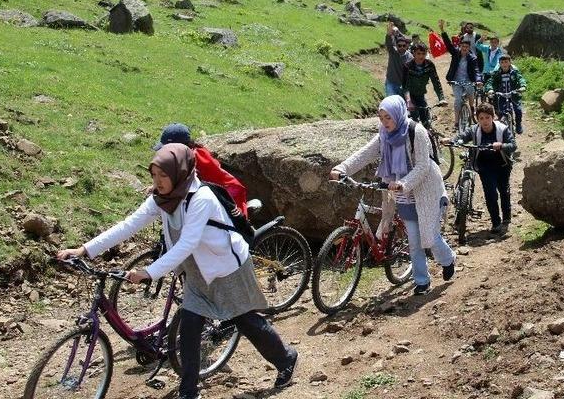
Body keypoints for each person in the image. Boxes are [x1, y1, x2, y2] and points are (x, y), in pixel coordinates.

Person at [56, 144, 298, 398]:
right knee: (190, 328)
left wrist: (150, 272)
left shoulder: (200, 198)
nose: (157, 182)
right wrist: (85, 249)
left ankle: (286, 359)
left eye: (163, 176)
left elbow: (187, 243)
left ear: (179, 173)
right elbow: (128, 225)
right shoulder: (162, 198)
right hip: (196, 271)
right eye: (154, 175)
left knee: (246, 322)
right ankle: (188, 392)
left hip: (226, 267)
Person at [329, 96, 455, 296]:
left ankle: (448, 259)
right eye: (381, 118)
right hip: (402, 194)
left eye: (388, 117)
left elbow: (423, 166)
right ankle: (422, 281)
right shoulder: (383, 135)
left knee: (429, 238)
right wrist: (342, 167)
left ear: (398, 114)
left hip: (426, 190)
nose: (384, 122)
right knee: (414, 240)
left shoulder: (417, 132)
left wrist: (404, 183)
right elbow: (365, 153)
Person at [446, 102, 516, 236]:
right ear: (477, 119)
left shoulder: (502, 129)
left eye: (487, 118)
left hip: (502, 165)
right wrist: (453, 140)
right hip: (484, 166)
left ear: (493, 117)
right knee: (490, 194)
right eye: (481, 118)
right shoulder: (474, 130)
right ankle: (496, 222)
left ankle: (507, 217)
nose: (485, 121)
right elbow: (462, 136)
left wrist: (501, 145)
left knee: (504, 190)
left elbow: (513, 145)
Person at [155, 123, 249, 218]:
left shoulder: (193, 158)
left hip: (229, 197)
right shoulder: (187, 155)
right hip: (213, 194)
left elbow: (181, 183)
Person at [439, 19, 481, 125]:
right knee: (457, 100)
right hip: (456, 81)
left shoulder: (472, 58)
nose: (465, 49)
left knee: (471, 95)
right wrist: (442, 30)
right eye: (463, 46)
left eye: (467, 47)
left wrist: (478, 80)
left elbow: (476, 71)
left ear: (469, 48)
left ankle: (472, 110)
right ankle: (457, 121)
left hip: (468, 80)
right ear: (460, 46)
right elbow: (448, 44)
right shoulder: (455, 53)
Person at [403, 43, 445, 127]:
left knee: (426, 120)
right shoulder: (407, 66)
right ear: (413, 53)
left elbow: (436, 82)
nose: (421, 56)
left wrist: (441, 98)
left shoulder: (429, 65)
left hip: (421, 94)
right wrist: (408, 101)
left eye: (423, 54)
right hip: (410, 96)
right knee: (414, 119)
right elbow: (405, 86)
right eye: (418, 53)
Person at [486, 55, 526, 135]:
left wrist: (522, 86)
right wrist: (490, 89)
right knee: (500, 111)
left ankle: (518, 124)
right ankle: (504, 126)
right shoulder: (497, 73)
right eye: (502, 62)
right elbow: (490, 81)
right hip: (501, 95)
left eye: (506, 62)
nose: (504, 64)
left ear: (510, 63)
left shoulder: (514, 72)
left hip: (514, 95)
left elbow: (520, 78)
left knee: (518, 110)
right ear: (499, 64)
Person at [384, 22, 413, 97]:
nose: (402, 47)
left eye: (404, 46)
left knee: (402, 105)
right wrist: (389, 34)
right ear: (396, 46)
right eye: (399, 46)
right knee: (391, 104)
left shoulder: (410, 57)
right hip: (391, 83)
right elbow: (388, 43)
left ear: (406, 46)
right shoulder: (393, 52)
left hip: (403, 85)